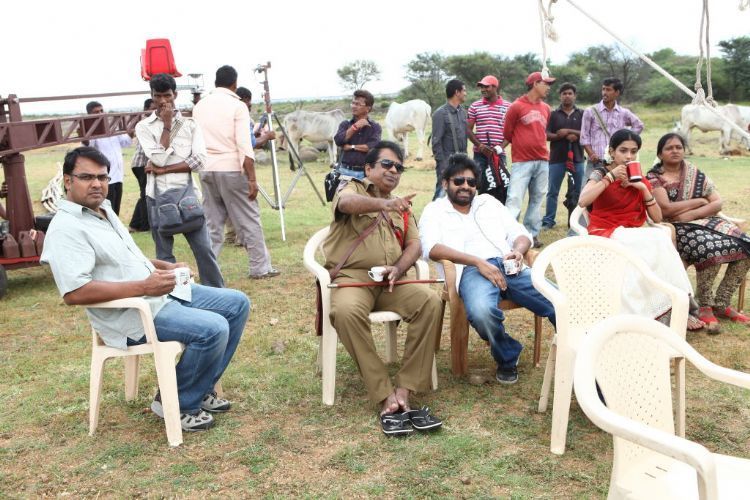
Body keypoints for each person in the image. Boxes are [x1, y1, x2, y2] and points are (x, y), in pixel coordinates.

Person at [40, 146, 250, 432]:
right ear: (68, 181)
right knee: (213, 328)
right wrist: (144, 286)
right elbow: (75, 293)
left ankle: (199, 388)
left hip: (157, 295)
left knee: (237, 303)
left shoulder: (103, 210)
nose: (97, 184)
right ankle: (178, 403)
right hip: (131, 314)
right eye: (87, 177)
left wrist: (164, 267)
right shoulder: (66, 228)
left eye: (102, 177)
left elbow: (126, 259)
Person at [324, 140, 443, 436]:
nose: (393, 171)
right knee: (345, 312)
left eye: (399, 167)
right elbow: (346, 205)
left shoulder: (402, 206)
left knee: (430, 302)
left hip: (391, 282)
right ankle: (383, 393)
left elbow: (414, 245)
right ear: (368, 168)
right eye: (387, 164)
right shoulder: (351, 187)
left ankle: (405, 389)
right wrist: (385, 204)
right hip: (354, 279)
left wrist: (399, 269)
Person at [419, 153, 556, 384]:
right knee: (482, 313)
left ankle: (582, 354)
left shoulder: (489, 203)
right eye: (458, 181)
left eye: (471, 182)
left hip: (508, 265)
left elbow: (520, 234)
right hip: (470, 271)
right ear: (445, 183)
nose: (465, 186)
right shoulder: (435, 210)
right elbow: (431, 248)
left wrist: (518, 251)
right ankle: (507, 355)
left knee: (557, 299)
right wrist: (477, 262)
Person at [577, 129, 703, 329]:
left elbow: (657, 218)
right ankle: (660, 310)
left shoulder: (637, 176)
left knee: (661, 238)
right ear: (612, 151)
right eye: (623, 151)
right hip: (606, 231)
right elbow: (583, 201)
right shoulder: (600, 172)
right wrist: (609, 178)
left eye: (633, 151)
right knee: (656, 240)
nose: (628, 156)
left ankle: (674, 307)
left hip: (631, 232)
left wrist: (642, 188)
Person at [647, 133, 750, 332]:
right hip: (675, 228)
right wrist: (700, 201)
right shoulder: (654, 178)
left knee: (746, 244)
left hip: (704, 221)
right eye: (669, 148)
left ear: (684, 150)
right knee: (709, 249)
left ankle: (722, 303)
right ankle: (704, 305)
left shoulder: (694, 173)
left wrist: (691, 213)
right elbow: (666, 209)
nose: (675, 151)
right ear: (660, 154)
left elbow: (717, 202)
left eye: (679, 147)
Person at [135, 73, 225, 288]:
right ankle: (173, 293)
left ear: (175, 94)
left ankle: (216, 290)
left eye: (167, 95)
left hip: (187, 194)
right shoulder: (144, 127)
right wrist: (167, 125)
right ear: (152, 96)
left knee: (204, 249)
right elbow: (157, 157)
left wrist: (163, 169)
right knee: (164, 254)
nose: (163, 101)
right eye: (158, 96)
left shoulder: (190, 125)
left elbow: (199, 160)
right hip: (156, 197)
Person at [193, 65, 279, 279]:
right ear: (234, 84)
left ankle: (208, 271)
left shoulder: (200, 106)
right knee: (249, 220)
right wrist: (252, 179)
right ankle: (260, 268)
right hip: (231, 168)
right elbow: (245, 145)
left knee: (212, 225)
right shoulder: (237, 106)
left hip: (206, 169)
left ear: (215, 82)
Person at [502, 72, 556, 247]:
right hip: (522, 160)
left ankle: (531, 234)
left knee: (538, 198)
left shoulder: (546, 108)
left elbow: (543, 131)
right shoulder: (516, 106)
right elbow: (508, 133)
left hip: (542, 159)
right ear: (535, 84)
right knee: (515, 198)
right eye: (546, 83)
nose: (548, 87)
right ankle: (510, 235)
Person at [580, 78, 643, 188]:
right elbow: (584, 136)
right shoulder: (590, 111)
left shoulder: (623, 112)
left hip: (616, 163)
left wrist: (626, 139)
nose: (604, 92)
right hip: (596, 162)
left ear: (617, 92)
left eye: (608, 90)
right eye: (603, 89)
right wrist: (591, 154)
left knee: (616, 191)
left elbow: (639, 125)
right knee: (587, 191)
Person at [543, 82, 585, 231]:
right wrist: (559, 136)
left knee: (577, 192)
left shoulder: (582, 114)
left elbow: (588, 133)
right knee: (552, 192)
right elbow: (546, 134)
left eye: (570, 93)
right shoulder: (553, 114)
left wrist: (570, 132)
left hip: (578, 158)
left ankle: (574, 222)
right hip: (557, 159)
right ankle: (548, 221)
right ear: (560, 96)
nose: (567, 96)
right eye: (564, 93)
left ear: (575, 96)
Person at [83, 101, 133, 215]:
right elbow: (89, 146)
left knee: (116, 209)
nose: (100, 114)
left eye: (101, 110)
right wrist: (85, 136)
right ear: (89, 115)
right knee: (107, 211)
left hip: (118, 176)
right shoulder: (91, 131)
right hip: (105, 178)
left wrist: (131, 132)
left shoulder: (112, 127)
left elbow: (125, 142)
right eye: (96, 112)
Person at [467, 75, 511, 203]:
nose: (483, 89)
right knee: (480, 185)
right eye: (481, 87)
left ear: (495, 87)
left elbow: (511, 132)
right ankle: (481, 210)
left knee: (500, 185)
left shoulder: (508, 107)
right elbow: (468, 129)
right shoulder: (475, 106)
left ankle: (499, 210)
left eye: (486, 86)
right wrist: (480, 146)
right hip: (480, 154)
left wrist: (500, 148)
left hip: (498, 154)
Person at [431, 79, 468, 200]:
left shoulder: (462, 113)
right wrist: (443, 165)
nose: (465, 93)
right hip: (447, 164)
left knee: (459, 196)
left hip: (462, 163)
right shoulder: (440, 114)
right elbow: (436, 142)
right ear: (457, 92)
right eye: (464, 90)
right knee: (441, 195)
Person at [333, 89, 382, 179]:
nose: (353, 106)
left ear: (368, 108)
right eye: (353, 103)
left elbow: (372, 147)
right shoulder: (345, 124)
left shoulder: (375, 127)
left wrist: (351, 147)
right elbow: (338, 141)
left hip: (366, 174)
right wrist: (355, 127)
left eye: (358, 104)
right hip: (344, 172)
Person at [128, 98, 158, 232]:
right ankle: (145, 226)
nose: (155, 111)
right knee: (147, 195)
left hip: (141, 164)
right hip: (142, 164)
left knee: (145, 195)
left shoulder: (150, 122)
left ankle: (135, 225)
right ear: (145, 110)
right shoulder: (145, 124)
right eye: (152, 108)